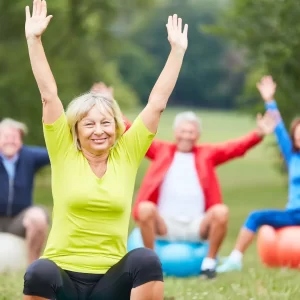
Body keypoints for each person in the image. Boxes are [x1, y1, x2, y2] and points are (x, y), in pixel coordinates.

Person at [23, 0, 188, 299]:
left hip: (110, 284)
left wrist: (177, 52)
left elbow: (157, 104)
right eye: (88, 124)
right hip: (64, 281)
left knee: (146, 260)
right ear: (74, 130)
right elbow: (49, 96)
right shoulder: (63, 151)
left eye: (105, 123)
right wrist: (34, 40)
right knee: (38, 271)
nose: (99, 130)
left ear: (116, 126)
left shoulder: (126, 154)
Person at [129, 104, 273, 279]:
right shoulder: (161, 151)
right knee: (144, 208)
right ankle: (150, 265)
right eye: (183, 131)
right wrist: (112, 109)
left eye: (191, 132)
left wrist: (259, 134)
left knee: (221, 212)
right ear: (176, 133)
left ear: (198, 135)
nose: (187, 136)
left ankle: (208, 265)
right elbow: (136, 134)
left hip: (196, 225)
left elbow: (234, 148)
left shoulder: (207, 154)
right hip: (164, 224)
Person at [216, 75, 300, 273]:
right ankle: (235, 260)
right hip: (292, 214)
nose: (299, 136)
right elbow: (278, 129)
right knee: (255, 216)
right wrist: (269, 101)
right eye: (297, 133)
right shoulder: (292, 156)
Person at [0, 117, 50, 264]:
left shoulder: (29, 156)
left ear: (21, 140)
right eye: (6, 137)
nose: (10, 141)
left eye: (14, 137)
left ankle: (33, 267)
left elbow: (55, 152)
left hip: (19, 220)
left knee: (38, 217)